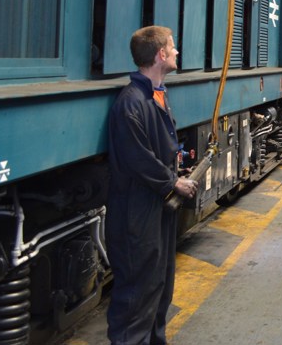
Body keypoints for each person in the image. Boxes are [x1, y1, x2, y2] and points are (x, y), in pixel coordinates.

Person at [106, 25, 198, 345]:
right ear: (160, 55)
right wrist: (173, 182)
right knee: (137, 293)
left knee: (160, 285)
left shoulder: (157, 95)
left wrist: (175, 175)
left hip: (156, 207)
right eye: (172, 48)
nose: (176, 52)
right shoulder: (131, 103)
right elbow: (138, 158)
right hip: (137, 212)